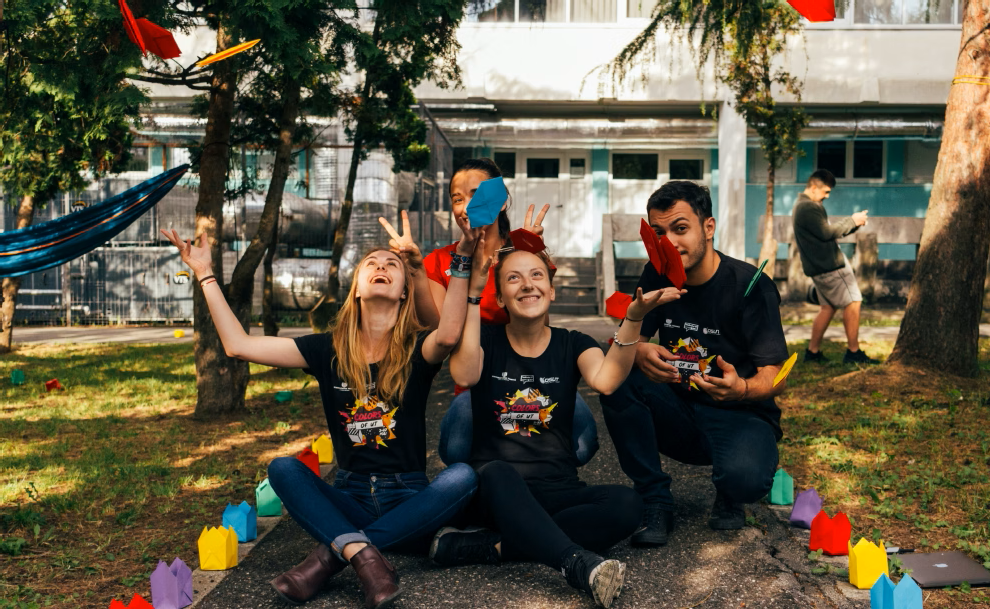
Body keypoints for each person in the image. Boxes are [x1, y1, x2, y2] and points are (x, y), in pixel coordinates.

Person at [159, 213, 478, 609]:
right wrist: (205, 273)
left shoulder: (417, 347)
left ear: (403, 292)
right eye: (371, 265)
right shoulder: (326, 349)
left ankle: (332, 556)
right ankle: (364, 555)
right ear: (357, 290)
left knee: (463, 476)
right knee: (282, 468)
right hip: (350, 493)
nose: (381, 267)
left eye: (390, 265)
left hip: (409, 496)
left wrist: (461, 255)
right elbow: (238, 345)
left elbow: (449, 333)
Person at [430, 247, 681, 608]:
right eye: (513, 278)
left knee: (627, 504)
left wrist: (635, 316)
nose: (526, 285)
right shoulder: (485, 339)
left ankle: (489, 546)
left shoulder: (573, 342)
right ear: (499, 296)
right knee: (497, 472)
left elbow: (607, 380)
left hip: (557, 489)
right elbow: (464, 374)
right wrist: (473, 295)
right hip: (496, 492)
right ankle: (575, 563)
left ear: (551, 290)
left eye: (536, 275)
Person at [599, 180, 790, 548]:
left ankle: (730, 490)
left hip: (740, 413)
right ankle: (655, 499)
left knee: (746, 481)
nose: (668, 242)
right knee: (617, 375)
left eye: (680, 229)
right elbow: (629, 336)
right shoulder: (656, 274)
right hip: (679, 410)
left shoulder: (750, 285)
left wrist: (743, 389)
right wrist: (638, 351)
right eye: (659, 232)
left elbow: (777, 375)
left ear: (709, 227)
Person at [422, 157, 598, 467]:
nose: (465, 207)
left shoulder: (524, 249)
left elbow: (541, 325)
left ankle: (540, 483)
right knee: (456, 450)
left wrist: (528, 256)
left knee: (582, 444)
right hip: (476, 382)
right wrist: (458, 268)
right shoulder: (438, 262)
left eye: (475, 195)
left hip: (537, 379)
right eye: (457, 199)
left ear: (501, 200)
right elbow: (442, 338)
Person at [792, 169, 879, 364]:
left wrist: (854, 224)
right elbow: (826, 232)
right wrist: (853, 221)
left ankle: (812, 353)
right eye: (826, 192)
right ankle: (853, 352)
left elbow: (823, 232)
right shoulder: (808, 207)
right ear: (814, 187)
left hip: (818, 268)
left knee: (828, 308)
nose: (827, 196)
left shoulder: (803, 205)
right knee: (853, 302)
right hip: (831, 268)